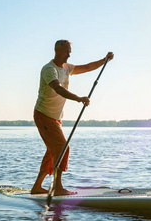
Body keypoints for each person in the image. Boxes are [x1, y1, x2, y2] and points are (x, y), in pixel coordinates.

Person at [31, 39, 114, 195]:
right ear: (57, 50)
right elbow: (58, 88)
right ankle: (57, 188)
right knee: (62, 148)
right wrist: (79, 98)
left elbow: (88, 67)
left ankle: (37, 187)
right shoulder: (49, 69)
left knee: (53, 151)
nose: (69, 55)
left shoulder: (67, 68)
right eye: (66, 51)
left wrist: (104, 61)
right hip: (44, 115)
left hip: (55, 117)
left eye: (70, 51)